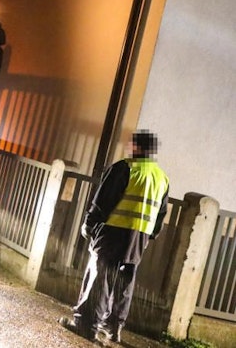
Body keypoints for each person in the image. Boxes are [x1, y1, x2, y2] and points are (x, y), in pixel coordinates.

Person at [59, 130, 169, 343]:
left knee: (100, 277)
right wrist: (148, 236)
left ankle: (86, 326)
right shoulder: (162, 178)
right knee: (124, 284)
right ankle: (114, 329)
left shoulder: (124, 168)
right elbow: (160, 216)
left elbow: (103, 200)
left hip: (113, 232)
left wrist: (89, 224)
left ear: (136, 147)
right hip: (139, 238)